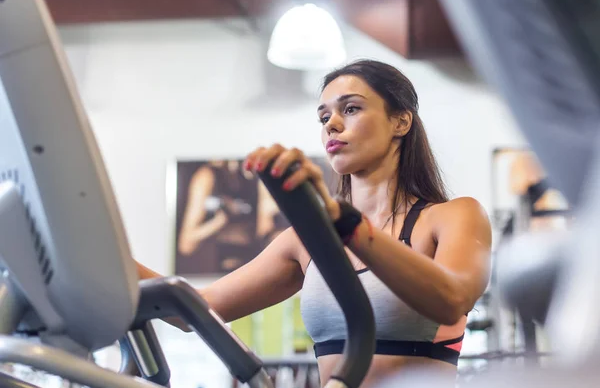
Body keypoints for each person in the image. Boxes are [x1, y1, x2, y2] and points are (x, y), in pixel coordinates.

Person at [138, 59, 492, 387]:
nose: (332, 124)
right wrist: (102, 254)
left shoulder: (451, 217)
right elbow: (190, 312)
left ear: (401, 121)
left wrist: (343, 222)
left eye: (350, 109)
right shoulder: (305, 241)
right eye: (324, 118)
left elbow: (452, 299)